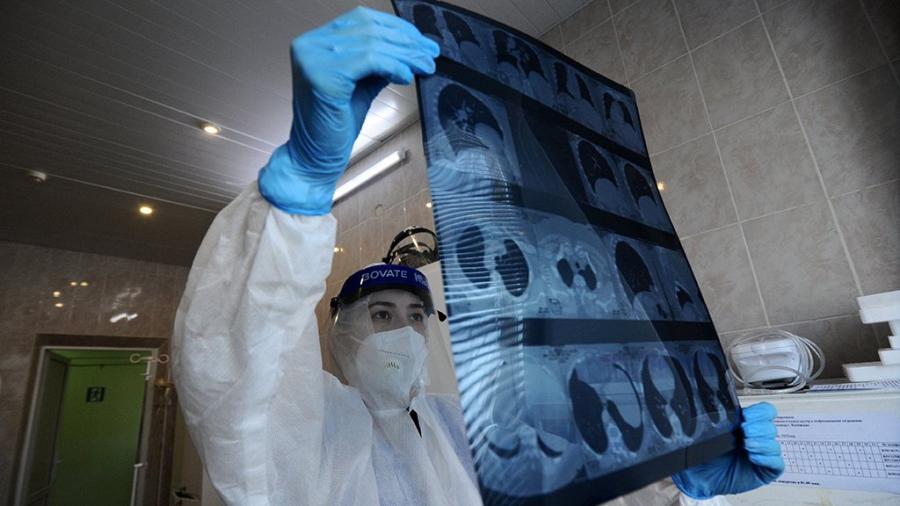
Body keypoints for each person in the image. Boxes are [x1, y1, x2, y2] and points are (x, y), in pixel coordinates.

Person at [172, 7, 784, 505]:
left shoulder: (464, 428)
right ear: (340, 328)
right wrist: (299, 184)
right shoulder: (316, 427)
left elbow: (572, 485)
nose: (404, 331)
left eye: (417, 315)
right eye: (380, 314)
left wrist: (675, 480)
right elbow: (236, 380)